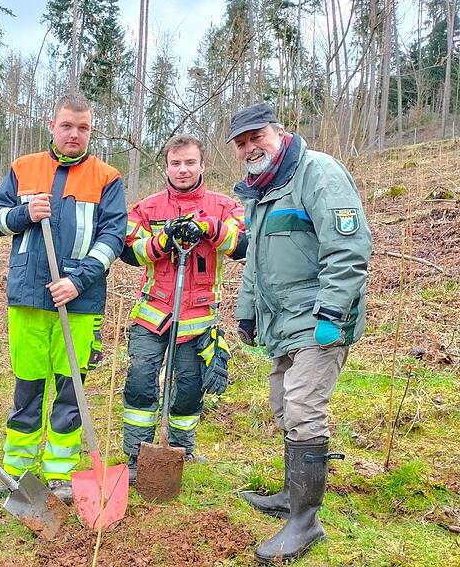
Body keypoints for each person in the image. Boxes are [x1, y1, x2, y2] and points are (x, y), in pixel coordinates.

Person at [228, 103, 372, 563]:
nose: (251, 148)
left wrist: (331, 312)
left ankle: (305, 522)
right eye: (242, 143)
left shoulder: (318, 173)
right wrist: (247, 312)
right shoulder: (262, 191)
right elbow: (255, 262)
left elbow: (348, 248)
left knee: (304, 409)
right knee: (282, 405)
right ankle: (293, 496)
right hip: (284, 320)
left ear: (279, 131)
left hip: (320, 319)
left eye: (257, 137)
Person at [0, 91, 127, 505]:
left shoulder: (107, 178)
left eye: (83, 127)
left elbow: (113, 237)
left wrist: (78, 281)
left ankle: (60, 474)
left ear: (91, 131)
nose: (74, 134)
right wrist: (24, 214)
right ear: (52, 126)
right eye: (66, 125)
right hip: (28, 297)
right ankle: (17, 472)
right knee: (27, 386)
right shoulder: (23, 168)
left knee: (70, 388)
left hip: (80, 302)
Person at [120, 134, 246, 484]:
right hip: (153, 313)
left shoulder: (225, 206)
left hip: (198, 318)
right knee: (140, 381)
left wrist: (208, 227)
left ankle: (180, 450)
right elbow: (129, 251)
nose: (183, 169)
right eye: (176, 163)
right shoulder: (146, 208)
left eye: (190, 162)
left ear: (202, 165)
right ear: (166, 167)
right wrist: (163, 240)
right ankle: (137, 454)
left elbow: (241, 245)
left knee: (190, 387)